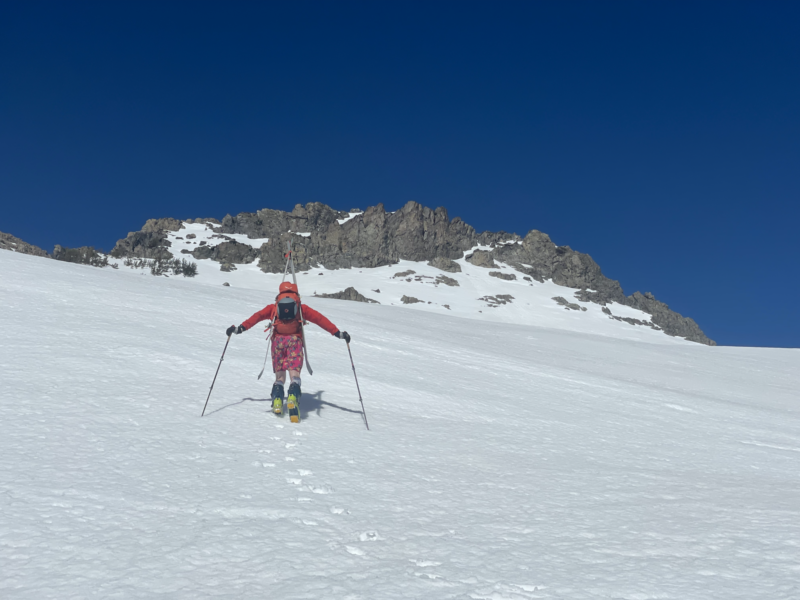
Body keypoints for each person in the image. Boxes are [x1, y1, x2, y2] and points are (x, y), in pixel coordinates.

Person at [226, 282, 350, 418]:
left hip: (277, 342)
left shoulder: (273, 307)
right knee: (294, 374)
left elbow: (257, 316)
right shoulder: (301, 308)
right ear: (296, 294)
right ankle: (293, 398)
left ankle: (278, 400)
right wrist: (337, 333)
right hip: (295, 341)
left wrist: (240, 328)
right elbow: (320, 319)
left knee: (280, 377)